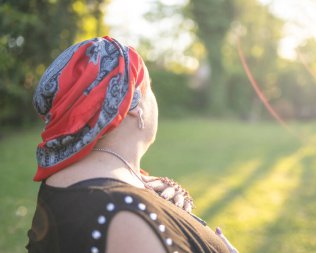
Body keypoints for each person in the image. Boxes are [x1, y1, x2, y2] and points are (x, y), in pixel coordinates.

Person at [27, 36, 238, 253]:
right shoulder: (124, 215)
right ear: (133, 105)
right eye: (151, 87)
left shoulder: (62, 181)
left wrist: (164, 205)